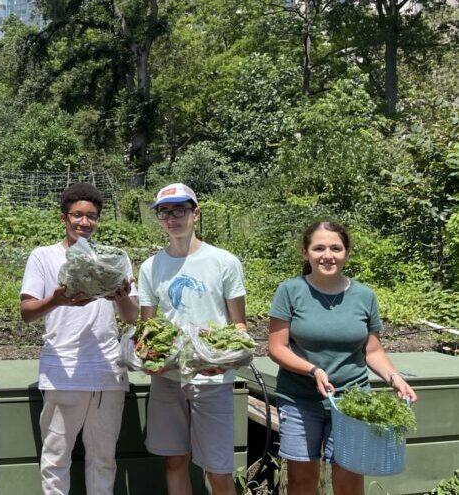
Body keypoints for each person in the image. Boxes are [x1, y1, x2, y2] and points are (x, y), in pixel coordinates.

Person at [268, 221, 418, 495]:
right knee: (302, 480)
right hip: (300, 400)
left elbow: (372, 350)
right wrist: (313, 370)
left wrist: (395, 378)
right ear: (305, 253)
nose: (328, 255)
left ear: (347, 253)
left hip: (352, 403)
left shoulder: (364, 296)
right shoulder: (289, 291)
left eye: (336, 248)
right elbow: (277, 348)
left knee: (348, 478)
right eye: (319, 248)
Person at [19, 184, 138, 495]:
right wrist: (56, 300)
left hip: (108, 373)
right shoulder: (44, 256)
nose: (85, 222)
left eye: (92, 217)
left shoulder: (114, 259)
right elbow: (27, 312)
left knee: (104, 459)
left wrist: (123, 297)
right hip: (63, 372)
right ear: (64, 217)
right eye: (78, 215)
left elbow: (131, 317)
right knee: (56, 458)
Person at [137, 183, 247, 495]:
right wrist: (149, 360)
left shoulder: (224, 261)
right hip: (168, 378)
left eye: (180, 210)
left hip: (212, 379)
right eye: (164, 212)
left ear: (195, 214)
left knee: (218, 470)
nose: (172, 218)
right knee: (174, 461)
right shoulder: (151, 266)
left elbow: (238, 326)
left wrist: (224, 359)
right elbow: (149, 329)